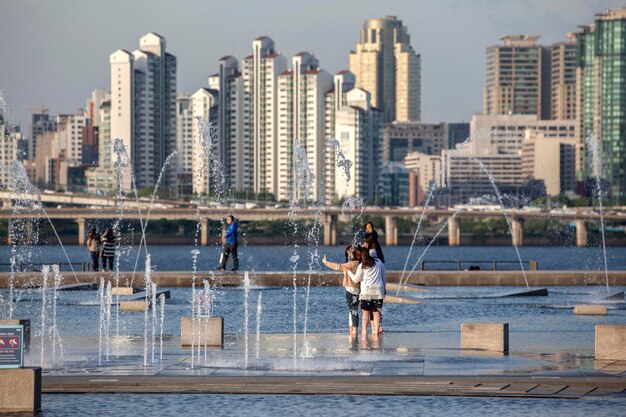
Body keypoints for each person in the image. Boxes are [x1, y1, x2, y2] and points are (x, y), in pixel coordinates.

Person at [342, 247, 385, 337]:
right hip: (378, 291)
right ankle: (375, 333)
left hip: (366, 292)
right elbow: (383, 278)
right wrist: (384, 289)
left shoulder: (362, 266)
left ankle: (364, 333)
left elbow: (356, 279)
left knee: (365, 313)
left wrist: (348, 271)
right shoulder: (379, 263)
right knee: (376, 313)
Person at [322, 245, 360, 337]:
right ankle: (351, 329)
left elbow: (338, 266)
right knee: (352, 310)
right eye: (347, 252)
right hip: (355, 288)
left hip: (351, 288)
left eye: (350, 252)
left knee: (353, 310)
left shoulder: (352, 264)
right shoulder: (356, 263)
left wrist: (325, 262)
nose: (348, 254)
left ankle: (354, 330)